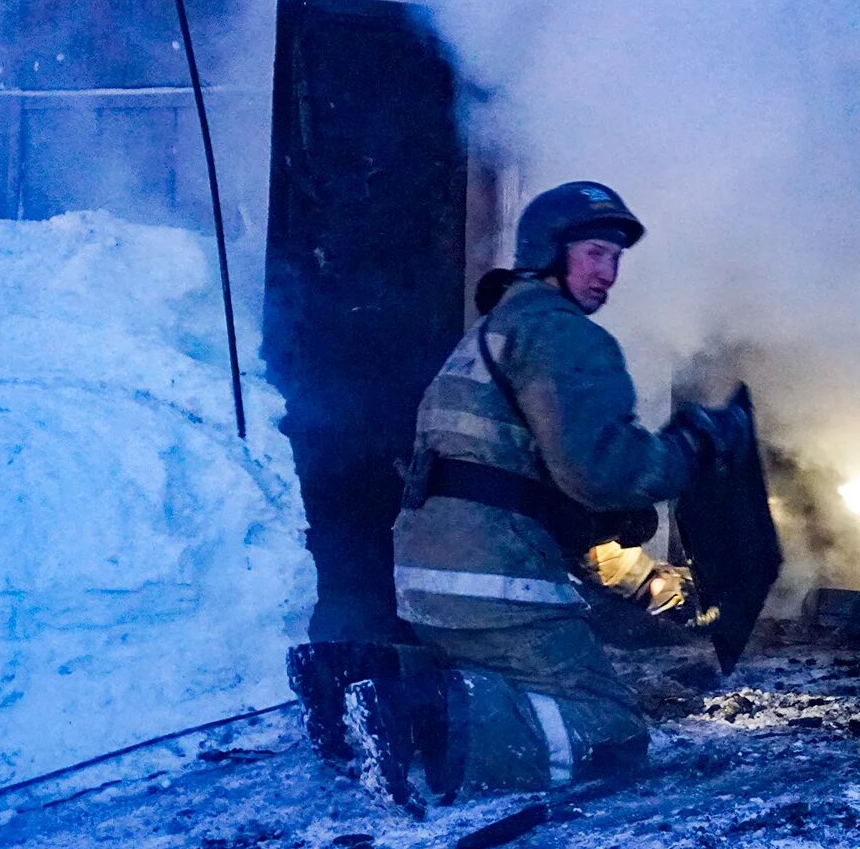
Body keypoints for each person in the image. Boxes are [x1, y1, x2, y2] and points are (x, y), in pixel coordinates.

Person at [292, 181, 747, 816]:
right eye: (593, 253)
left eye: (615, 258)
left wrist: (649, 579)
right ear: (548, 253)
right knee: (610, 729)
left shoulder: (490, 334)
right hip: (495, 579)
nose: (607, 274)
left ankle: (360, 677)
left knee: (504, 680)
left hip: (430, 576)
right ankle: (413, 708)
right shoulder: (563, 335)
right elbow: (603, 473)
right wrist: (692, 447)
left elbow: (533, 485)